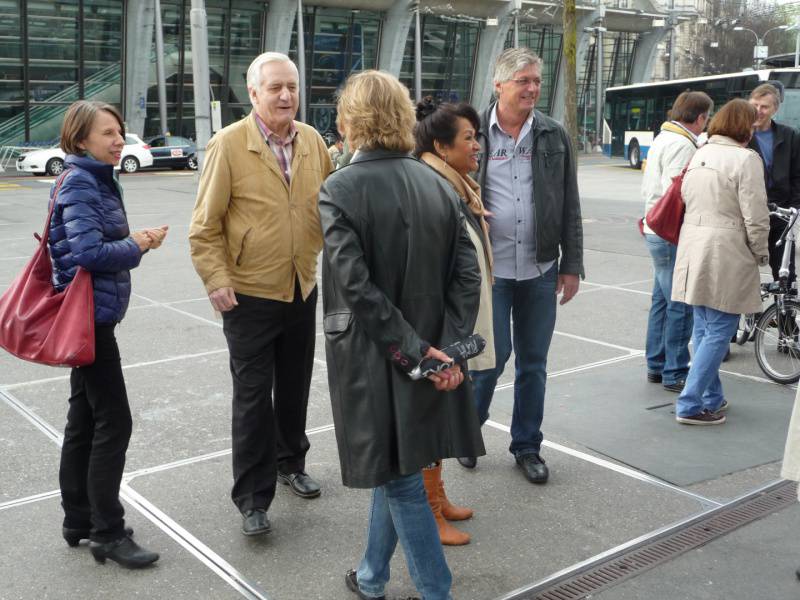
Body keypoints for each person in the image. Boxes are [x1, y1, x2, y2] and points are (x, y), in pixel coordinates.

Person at [320, 70, 484, 600]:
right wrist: (445, 350)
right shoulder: (436, 182)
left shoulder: (340, 187)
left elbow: (356, 288)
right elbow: (468, 275)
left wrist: (422, 354)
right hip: (425, 351)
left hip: (378, 356)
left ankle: (437, 591)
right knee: (400, 466)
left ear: (350, 120)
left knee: (401, 479)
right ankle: (371, 577)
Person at [188, 52, 333, 536]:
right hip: (248, 293)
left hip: (300, 284)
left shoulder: (312, 141)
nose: (286, 95)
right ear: (253, 93)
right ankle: (252, 497)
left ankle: (291, 462)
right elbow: (204, 226)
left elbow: (330, 207)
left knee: (294, 386)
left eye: (292, 86)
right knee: (253, 397)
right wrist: (216, 279)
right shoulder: (228, 144)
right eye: (275, 88)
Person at [459, 47, 584, 484]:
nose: (532, 88)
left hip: (540, 268)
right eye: (523, 81)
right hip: (489, 271)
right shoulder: (471, 132)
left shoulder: (552, 133)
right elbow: (447, 190)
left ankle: (527, 446)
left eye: (536, 81)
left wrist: (572, 264)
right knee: (489, 359)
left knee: (533, 363)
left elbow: (569, 202)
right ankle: (467, 431)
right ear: (499, 85)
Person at [51, 100, 166, 568]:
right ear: (81, 140)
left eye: (120, 131)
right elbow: (88, 252)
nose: (119, 140)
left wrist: (135, 242)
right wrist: (136, 244)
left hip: (91, 317)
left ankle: (78, 518)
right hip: (90, 321)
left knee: (83, 419)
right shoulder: (81, 181)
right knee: (114, 422)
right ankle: (108, 532)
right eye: (108, 133)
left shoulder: (94, 177)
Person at [414, 99, 494, 546]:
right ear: (442, 148)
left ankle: (438, 496)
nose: (477, 144)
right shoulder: (436, 188)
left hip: (452, 322)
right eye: (468, 138)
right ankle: (427, 510)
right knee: (431, 415)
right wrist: (447, 334)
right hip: (440, 325)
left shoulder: (455, 185)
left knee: (443, 412)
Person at [672, 99, 770, 425]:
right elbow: (755, 216)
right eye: (752, 124)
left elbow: (685, 196)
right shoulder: (746, 159)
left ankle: (711, 397)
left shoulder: (700, 152)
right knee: (721, 328)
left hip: (694, 244)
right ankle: (689, 403)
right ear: (743, 126)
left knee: (704, 326)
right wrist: (761, 253)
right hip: (727, 249)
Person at [640, 91, 713, 393]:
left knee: (661, 300)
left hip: (654, 227)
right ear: (700, 117)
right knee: (680, 303)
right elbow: (679, 190)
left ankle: (656, 365)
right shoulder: (683, 144)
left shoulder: (664, 137)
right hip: (669, 231)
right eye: (706, 118)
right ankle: (675, 371)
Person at [748, 83, 800, 288]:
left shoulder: (790, 136)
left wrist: (794, 206)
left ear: (775, 109)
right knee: (742, 273)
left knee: (786, 274)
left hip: (780, 213)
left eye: (764, 107)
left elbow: (797, 174)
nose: (758, 111)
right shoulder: (740, 135)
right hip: (749, 214)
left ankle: (785, 307)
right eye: (755, 105)